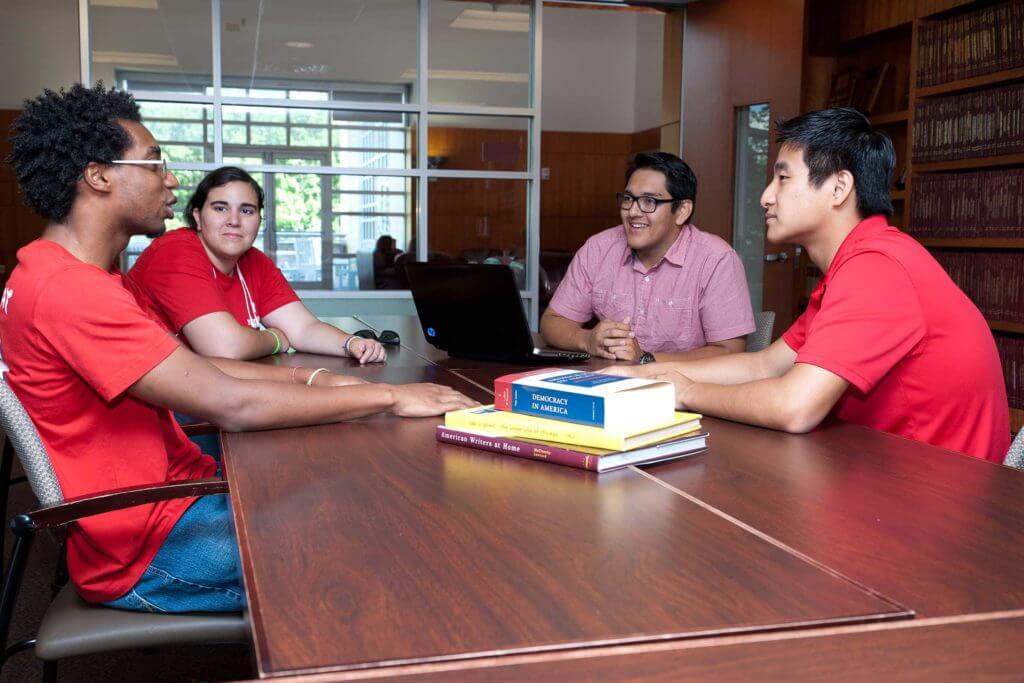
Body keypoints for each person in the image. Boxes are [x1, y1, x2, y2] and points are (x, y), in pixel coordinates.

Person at [2, 83, 477, 613]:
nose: (173, 180)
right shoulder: (72, 291)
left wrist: (311, 379)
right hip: (150, 545)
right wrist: (389, 398)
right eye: (156, 163)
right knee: (379, 535)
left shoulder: (59, 273)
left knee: (351, 483)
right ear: (99, 175)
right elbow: (234, 403)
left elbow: (198, 368)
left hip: (167, 501)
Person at [605, 108, 1009, 462]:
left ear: (839, 187)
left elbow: (794, 405)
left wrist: (685, 392)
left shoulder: (878, 268)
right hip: (882, 472)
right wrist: (649, 371)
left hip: (937, 501)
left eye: (782, 179)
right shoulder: (856, 263)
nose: (765, 197)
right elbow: (764, 364)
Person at [128, 167, 386, 363]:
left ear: (259, 220)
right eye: (220, 208)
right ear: (197, 215)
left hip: (212, 393)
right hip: (157, 415)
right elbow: (225, 348)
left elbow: (303, 328)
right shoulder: (174, 252)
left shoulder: (253, 260)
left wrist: (351, 344)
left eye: (247, 211)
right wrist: (275, 338)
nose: (234, 220)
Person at [540, 152, 755, 363]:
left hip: (683, 392)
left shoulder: (716, 259)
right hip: (609, 385)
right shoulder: (599, 248)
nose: (633, 211)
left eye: (649, 201)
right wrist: (587, 339)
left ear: (682, 211)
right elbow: (552, 322)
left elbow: (730, 352)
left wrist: (645, 359)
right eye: (628, 199)